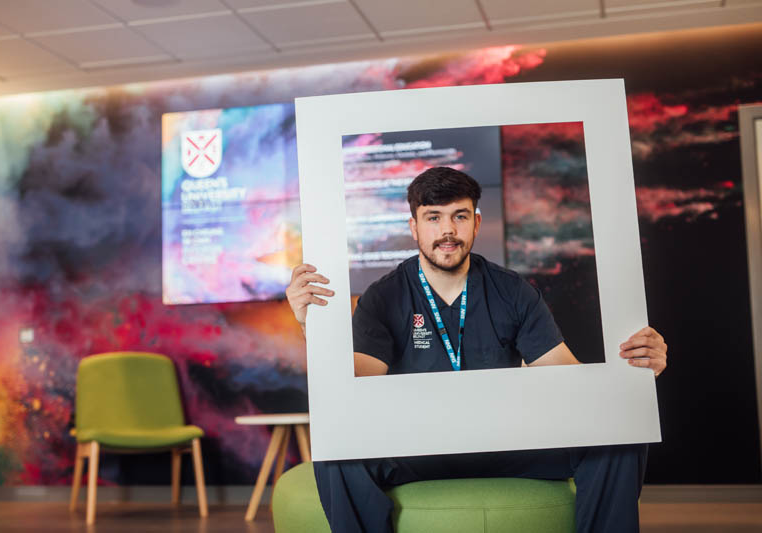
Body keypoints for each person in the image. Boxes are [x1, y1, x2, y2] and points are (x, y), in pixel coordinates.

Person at [285, 166, 668, 533]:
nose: (447, 230)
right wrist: (310, 326)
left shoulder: (512, 291)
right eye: (433, 217)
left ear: (476, 223)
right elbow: (357, 381)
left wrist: (630, 374)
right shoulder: (383, 297)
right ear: (413, 227)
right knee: (335, 451)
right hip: (417, 446)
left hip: (503, 442)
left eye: (460, 216)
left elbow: (565, 378)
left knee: (619, 436)